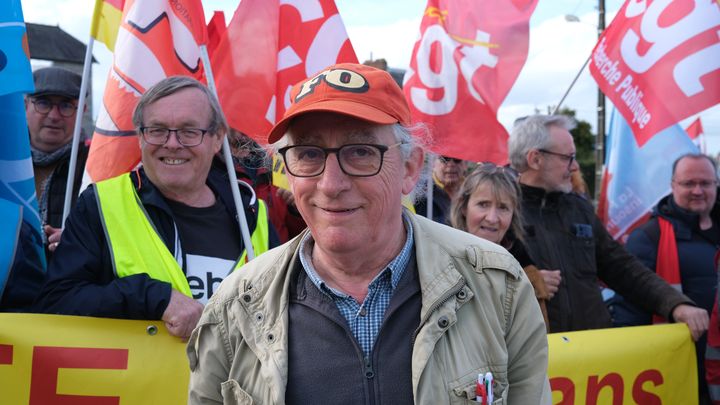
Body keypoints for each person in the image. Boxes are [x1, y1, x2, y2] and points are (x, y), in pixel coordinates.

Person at [187, 63, 551, 404]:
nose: (330, 184)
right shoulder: (235, 307)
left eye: (360, 152)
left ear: (410, 168)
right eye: (309, 154)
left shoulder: (497, 284)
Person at [35, 76, 277, 339]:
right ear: (140, 136)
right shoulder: (100, 205)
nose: (172, 143)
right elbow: (55, 303)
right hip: (137, 381)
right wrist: (152, 297)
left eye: (189, 131)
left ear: (217, 138)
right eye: (157, 130)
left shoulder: (253, 215)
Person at [508, 114, 708, 339]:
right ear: (535, 159)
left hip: (596, 358)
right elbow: (480, 287)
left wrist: (676, 304)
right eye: (568, 157)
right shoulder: (502, 215)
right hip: (534, 362)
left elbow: (623, 268)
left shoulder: (580, 209)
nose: (575, 166)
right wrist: (525, 282)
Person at [614, 153, 719, 403]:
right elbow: (630, 312)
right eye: (688, 183)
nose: (697, 190)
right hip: (678, 370)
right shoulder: (648, 238)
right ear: (672, 185)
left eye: (705, 183)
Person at [449, 163, 550, 329]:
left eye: (503, 207)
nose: (492, 218)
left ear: (513, 214)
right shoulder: (438, 261)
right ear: (464, 207)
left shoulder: (526, 275)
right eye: (483, 204)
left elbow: (534, 344)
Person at [26, 67, 89, 255]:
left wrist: (85, 241)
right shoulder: (6, 161)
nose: (54, 116)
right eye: (43, 103)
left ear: (82, 110)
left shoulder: (96, 168)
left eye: (66, 106)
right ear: (25, 105)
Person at [414, 154, 466, 224]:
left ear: (465, 165)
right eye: (445, 159)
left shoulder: (471, 191)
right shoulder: (421, 192)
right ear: (433, 164)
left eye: (457, 159)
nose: (451, 164)